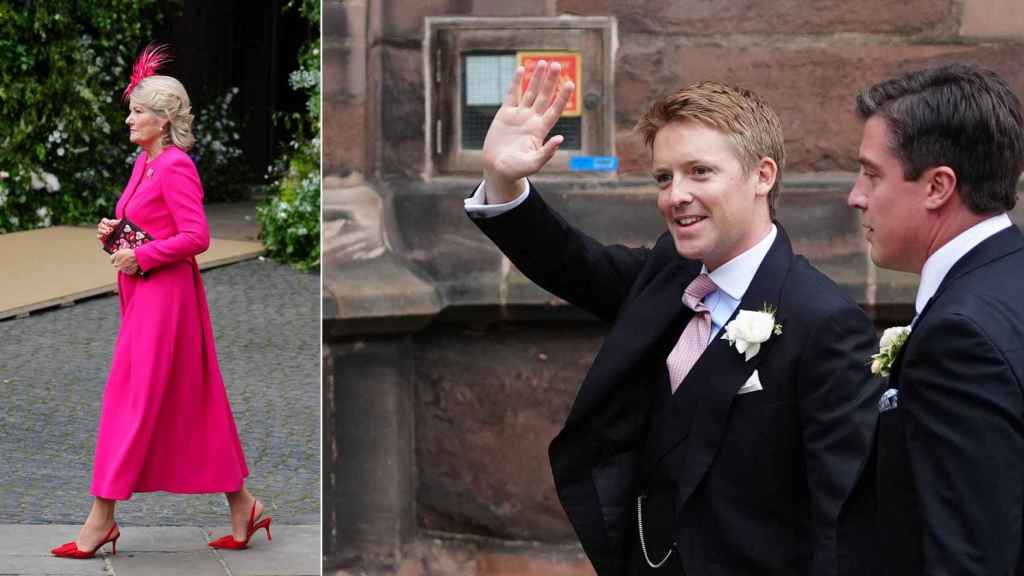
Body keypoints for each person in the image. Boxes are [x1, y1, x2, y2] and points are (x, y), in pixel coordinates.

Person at [466, 61, 879, 575]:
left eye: (699, 171)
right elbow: (573, 263)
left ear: (762, 175)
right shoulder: (670, 271)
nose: (675, 195)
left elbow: (840, 522)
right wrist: (502, 181)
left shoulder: (827, 324)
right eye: (665, 177)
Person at [51, 44, 271, 559]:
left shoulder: (175, 166)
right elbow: (148, 225)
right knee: (188, 402)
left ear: (165, 119)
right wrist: (116, 232)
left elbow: (197, 237)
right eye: (132, 110)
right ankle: (244, 505)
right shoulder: (144, 162)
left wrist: (143, 256)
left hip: (167, 302)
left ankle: (101, 518)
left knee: (130, 402)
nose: (129, 119)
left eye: (138, 111)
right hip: (145, 298)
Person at [849, 63, 1024, 575]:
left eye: (872, 173)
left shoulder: (958, 336)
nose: (856, 195)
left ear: (937, 186)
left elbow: (968, 554)